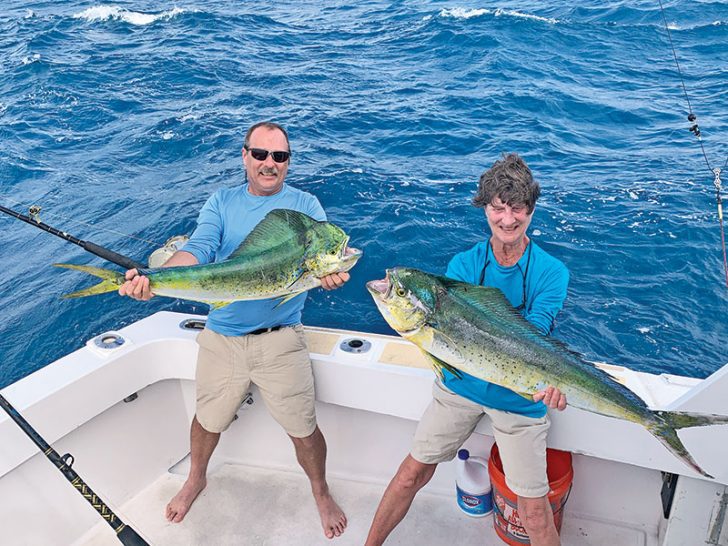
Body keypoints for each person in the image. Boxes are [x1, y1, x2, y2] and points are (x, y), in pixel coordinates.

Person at [119, 121, 349, 539]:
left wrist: (329, 275)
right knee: (207, 420)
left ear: (288, 163)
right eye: (260, 154)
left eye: (279, 157)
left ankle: (320, 490)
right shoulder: (222, 202)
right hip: (222, 336)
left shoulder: (306, 206)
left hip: (281, 337)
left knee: (304, 429)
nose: (269, 164)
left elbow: (322, 259)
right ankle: (195, 479)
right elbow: (199, 249)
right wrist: (155, 280)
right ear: (245, 156)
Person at [365, 153, 570, 546]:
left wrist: (551, 385)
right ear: (485, 208)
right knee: (411, 473)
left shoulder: (552, 272)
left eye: (518, 209)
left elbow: (536, 338)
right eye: (498, 208)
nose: (508, 220)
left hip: (520, 399)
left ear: (531, 210)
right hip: (459, 387)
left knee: (533, 511)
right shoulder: (462, 266)